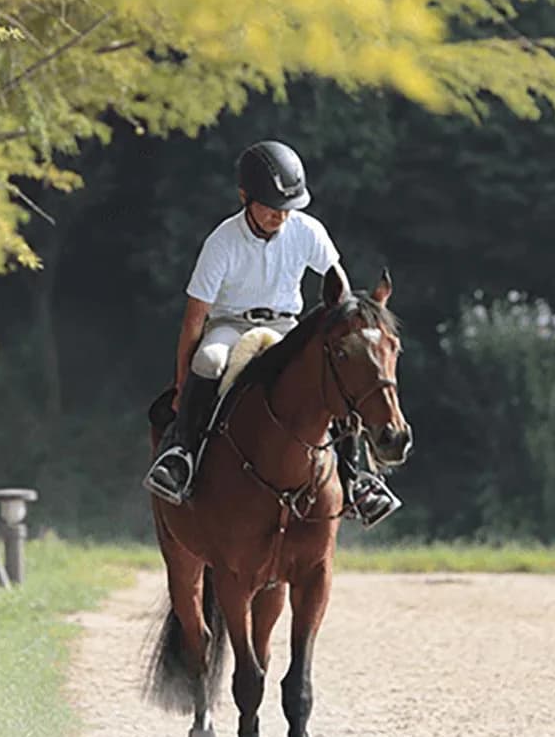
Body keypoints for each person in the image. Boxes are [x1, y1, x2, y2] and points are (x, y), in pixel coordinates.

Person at [143, 139, 401, 526]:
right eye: (270, 207)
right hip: (231, 325)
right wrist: (182, 386)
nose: (279, 216)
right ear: (244, 196)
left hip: (285, 324)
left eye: (287, 208)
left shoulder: (308, 231)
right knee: (210, 360)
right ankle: (182, 455)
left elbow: (338, 285)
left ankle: (358, 478)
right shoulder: (222, 242)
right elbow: (195, 319)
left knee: (331, 375)